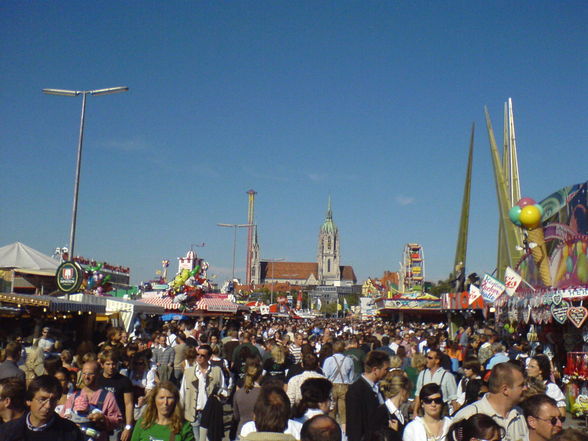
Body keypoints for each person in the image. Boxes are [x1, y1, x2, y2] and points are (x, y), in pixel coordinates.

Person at [452, 362, 528, 441]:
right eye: (521, 385)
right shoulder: (467, 416)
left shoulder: (521, 414)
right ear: (505, 389)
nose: (525, 388)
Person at [0, 375, 84, 441]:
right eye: (42, 399)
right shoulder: (8, 431)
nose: (48, 405)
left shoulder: (70, 432)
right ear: (29, 400)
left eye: (53, 400)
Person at [60, 361, 123, 441]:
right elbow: (62, 420)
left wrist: (102, 418)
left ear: (97, 375)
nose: (86, 377)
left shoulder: (107, 396)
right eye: (84, 373)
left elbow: (117, 421)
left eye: (90, 374)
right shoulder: (73, 397)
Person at [179, 344, 226, 441]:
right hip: (194, 414)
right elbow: (182, 393)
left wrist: (220, 397)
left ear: (209, 357)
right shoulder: (188, 372)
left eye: (202, 355)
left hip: (210, 413)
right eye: (197, 354)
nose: (199, 357)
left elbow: (224, 390)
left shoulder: (217, 371)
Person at [345, 350, 390, 441]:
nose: (387, 372)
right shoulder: (356, 390)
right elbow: (354, 424)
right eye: (385, 369)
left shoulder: (377, 388)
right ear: (375, 370)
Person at [96, 350, 134, 441]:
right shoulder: (97, 379)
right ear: (102, 365)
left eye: (113, 364)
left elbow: (129, 404)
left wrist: (128, 427)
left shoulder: (124, 381)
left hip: (117, 424)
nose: (111, 367)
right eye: (108, 364)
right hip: (99, 422)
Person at [413, 349, 458, 417]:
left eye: (430, 358)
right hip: (424, 411)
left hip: (441, 412)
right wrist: (415, 411)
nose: (426, 360)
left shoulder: (447, 376)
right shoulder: (422, 374)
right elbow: (418, 394)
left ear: (437, 360)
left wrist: (456, 417)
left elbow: (453, 398)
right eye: (426, 357)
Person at [322, 340, 354, 431]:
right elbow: (351, 378)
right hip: (344, 386)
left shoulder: (328, 360)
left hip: (331, 386)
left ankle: (331, 431)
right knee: (344, 413)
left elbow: (325, 375)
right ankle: (344, 433)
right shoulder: (349, 360)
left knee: (331, 411)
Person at [372, 371, 412, 441]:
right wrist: (394, 432)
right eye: (408, 390)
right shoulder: (382, 413)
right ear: (402, 391)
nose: (409, 394)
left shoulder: (398, 413)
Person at [233, 358, 263, 437]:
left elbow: (236, 416)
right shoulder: (264, 393)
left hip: (242, 431)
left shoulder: (238, 393)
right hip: (258, 432)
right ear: (260, 375)